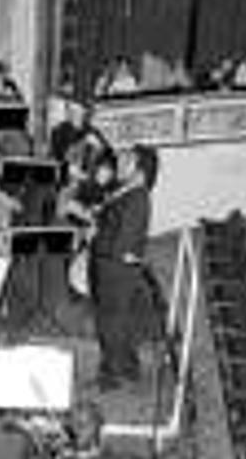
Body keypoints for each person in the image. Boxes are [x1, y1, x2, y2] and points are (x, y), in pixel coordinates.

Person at [90, 145, 158, 390]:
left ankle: (112, 376)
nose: (120, 164)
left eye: (127, 161)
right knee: (116, 322)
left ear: (139, 170)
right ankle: (126, 369)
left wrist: (99, 238)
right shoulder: (126, 191)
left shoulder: (138, 198)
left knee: (112, 324)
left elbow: (124, 244)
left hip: (116, 269)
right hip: (111, 265)